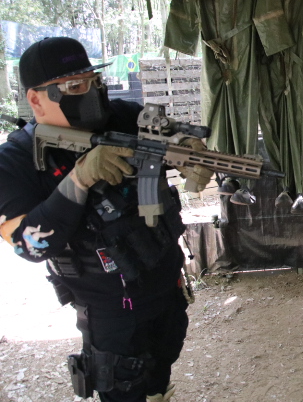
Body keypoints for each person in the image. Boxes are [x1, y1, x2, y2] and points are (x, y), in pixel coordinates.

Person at [0, 37, 211, 402]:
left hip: (165, 283)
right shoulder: (14, 161)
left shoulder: (124, 116)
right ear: (35, 99)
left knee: (161, 370)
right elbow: (27, 245)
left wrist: (189, 149)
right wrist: (79, 179)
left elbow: (171, 134)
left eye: (95, 81)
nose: (93, 93)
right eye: (74, 86)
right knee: (122, 386)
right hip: (109, 308)